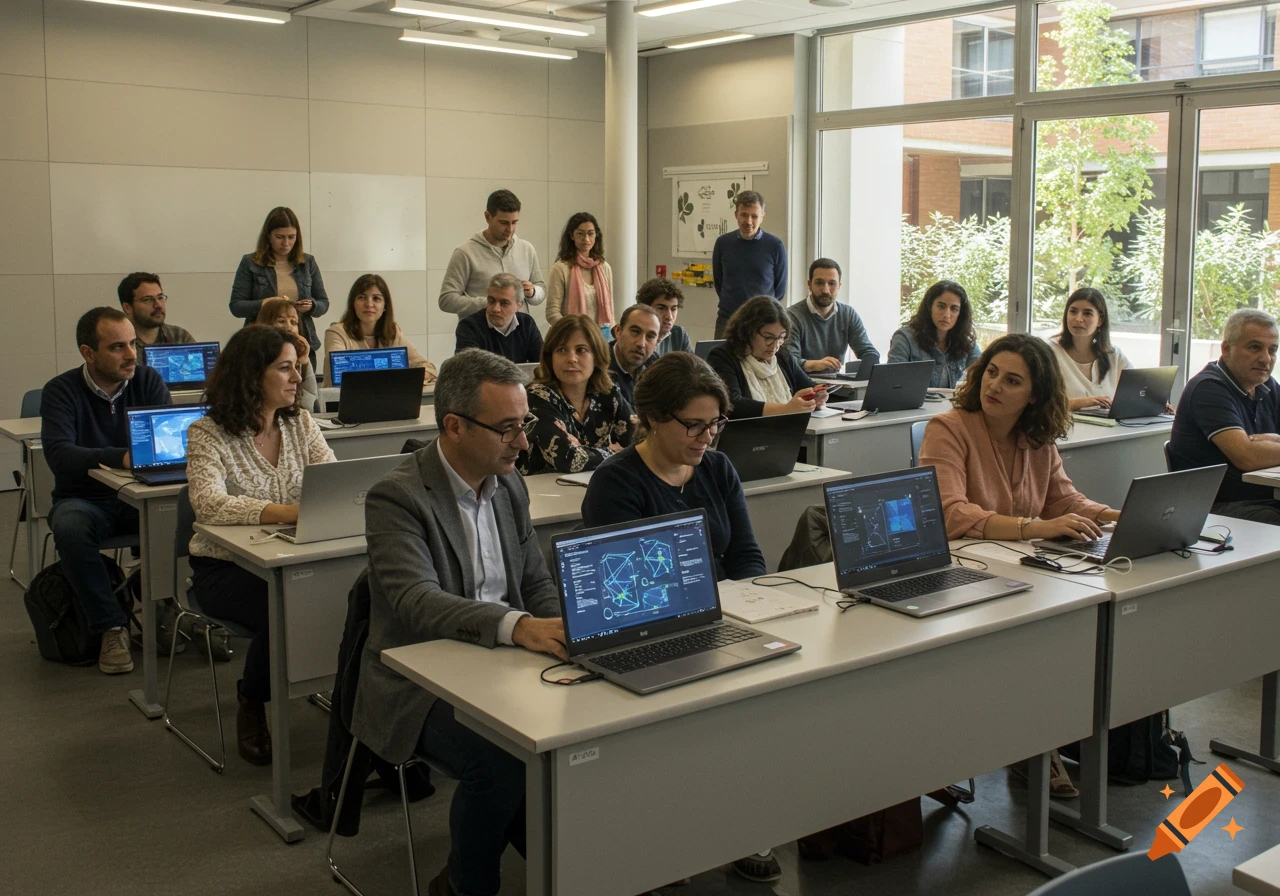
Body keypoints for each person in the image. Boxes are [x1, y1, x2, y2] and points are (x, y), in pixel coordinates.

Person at [350, 349, 565, 896]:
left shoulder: (509, 482)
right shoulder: (396, 496)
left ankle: (576, 863)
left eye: (526, 424)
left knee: (582, 734)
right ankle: (468, 886)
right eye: (509, 428)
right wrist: (518, 626)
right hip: (417, 680)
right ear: (454, 426)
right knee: (502, 758)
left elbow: (535, 579)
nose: (523, 442)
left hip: (505, 662)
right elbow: (417, 602)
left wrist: (570, 626)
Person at [581, 352, 778, 884]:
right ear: (650, 417)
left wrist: (746, 608)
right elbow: (628, 596)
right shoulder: (616, 483)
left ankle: (735, 824)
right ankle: (671, 838)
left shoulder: (716, 467)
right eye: (693, 424)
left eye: (715, 423)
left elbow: (746, 556)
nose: (706, 436)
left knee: (767, 698)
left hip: (718, 617)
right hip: (652, 627)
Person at [919, 332, 1119, 799]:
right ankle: (1033, 747)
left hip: (1019, 567)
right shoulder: (949, 427)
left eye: (1012, 381)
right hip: (959, 572)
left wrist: (1110, 515)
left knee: (1069, 626)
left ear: (1036, 395)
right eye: (991, 372)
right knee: (1033, 635)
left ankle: (1039, 740)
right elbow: (949, 513)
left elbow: (1063, 498)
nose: (995, 386)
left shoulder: (1036, 437)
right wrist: (1034, 528)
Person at [185, 325, 336, 765]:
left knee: (350, 593)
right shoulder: (207, 432)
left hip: (294, 552)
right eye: (285, 368)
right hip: (226, 567)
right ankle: (252, 700)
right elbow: (208, 504)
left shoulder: (301, 423)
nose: (297, 378)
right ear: (253, 376)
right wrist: (287, 512)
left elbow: (330, 481)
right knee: (285, 606)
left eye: (297, 367)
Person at [41, 307, 171, 674]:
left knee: (185, 511)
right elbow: (59, 455)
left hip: (142, 496)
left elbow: (165, 445)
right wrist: (122, 457)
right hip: (85, 499)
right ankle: (111, 626)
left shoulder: (148, 381)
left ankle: (166, 604)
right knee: (69, 527)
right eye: (117, 347)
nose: (131, 354)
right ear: (88, 352)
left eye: (132, 343)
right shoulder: (61, 391)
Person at [1169, 307, 1280, 524]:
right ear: (1226, 349)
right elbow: (1247, 457)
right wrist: (1256, 447)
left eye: (1273, 349)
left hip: (1265, 498)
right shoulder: (1208, 388)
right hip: (1217, 507)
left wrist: (1271, 442)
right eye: (1255, 347)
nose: (1266, 359)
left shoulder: (1267, 385)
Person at [518, 315, 634, 476]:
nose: (571, 359)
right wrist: (612, 452)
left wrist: (592, 452)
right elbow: (569, 458)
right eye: (562, 350)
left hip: (589, 487)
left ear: (597, 356)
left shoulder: (608, 393)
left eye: (581, 350)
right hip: (537, 492)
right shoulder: (537, 396)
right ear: (550, 357)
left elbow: (640, 440)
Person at [229, 206, 329, 369]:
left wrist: (311, 306)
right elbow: (236, 307)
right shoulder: (250, 263)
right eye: (280, 237)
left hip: (301, 342)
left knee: (305, 391)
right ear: (268, 236)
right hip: (261, 345)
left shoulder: (308, 262)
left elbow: (323, 303)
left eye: (291, 237)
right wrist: (265, 304)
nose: (286, 243)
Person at [707, 295, 828, 419]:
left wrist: (818, 395)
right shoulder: (723, 356)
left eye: (781, 337)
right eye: (768, 338)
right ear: (748, 331)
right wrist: (786, 409)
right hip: (743, 434)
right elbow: (733, 404)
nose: (775, 346)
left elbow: (807, 385)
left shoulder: (782, 355)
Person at [438, 189, 546, 320]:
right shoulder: (465, 253)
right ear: (488, 217)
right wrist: (491, 302)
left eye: (514, 222)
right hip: (480, 335)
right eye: (504, 223)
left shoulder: (527, 249)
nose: (510, 229)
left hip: (519, 335)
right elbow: (447, 300)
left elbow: (541, 289)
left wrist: (533, 292)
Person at [323, 273, 437, 384]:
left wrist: (417, 376)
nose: (369, 304)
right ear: (353, 303)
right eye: (362, 297)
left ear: (385, 306)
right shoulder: (336, 333)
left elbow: (425, 366)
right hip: (343, 401)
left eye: (376, 299)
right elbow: (339, 373)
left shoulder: (393, 331)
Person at [711, 190, 787, 338]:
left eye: (754, 216)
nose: (749, 222)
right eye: (744, 215)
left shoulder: (775, 246)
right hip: (728, 320)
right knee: (720, 360)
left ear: (762, 217)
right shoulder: (722, 243)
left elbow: (780, 290)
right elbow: (719, 282)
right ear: (736, 215)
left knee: (759, 361)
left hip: (763, 322)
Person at [784, 259, 879, 374]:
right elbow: (788, 362)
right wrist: (814, 365)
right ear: (809, 285)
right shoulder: (791, 316)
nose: (826, 290)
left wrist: (870, 360)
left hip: (838, 387)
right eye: (819, 283)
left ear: (839, 286)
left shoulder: (848, 314)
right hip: (801, 387)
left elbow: (868, 351)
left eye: (832, 283)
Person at [1047, 287, 1133, 411]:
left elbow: (1136, 392)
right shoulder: (1049, 352)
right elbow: (1039, 406)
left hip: (1110, 429)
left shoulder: (1113, 354)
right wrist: (1081, 402)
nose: (1078, 319)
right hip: (1065, 428)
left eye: (1087, 313)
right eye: (1073, 311)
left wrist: (1153, 404)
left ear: (1100, 320)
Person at [889, 280, 982, 388]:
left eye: (954, 309)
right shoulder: (905, 338)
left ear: (960, 314)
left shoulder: (966, 342)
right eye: (941, 306)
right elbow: (893, 383)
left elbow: (981, 373)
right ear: (930, 307)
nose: (947, 315)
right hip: (915, 405)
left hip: (952, 404)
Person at [545, 212, 614, 329]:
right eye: (580, 234)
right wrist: (576, 331)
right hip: (569, 337)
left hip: (599, 338)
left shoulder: (604, 267)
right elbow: (552, 313)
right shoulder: (560, 268)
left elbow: (610, 310)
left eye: (590, 233)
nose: (586, 239)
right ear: (572, 236)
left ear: (596, 235)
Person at [455, 273, 544, 363]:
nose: (495, 309)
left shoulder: (527, 323)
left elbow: (543, 365)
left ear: (518, 305)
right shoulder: (469, 327)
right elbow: (468, 371)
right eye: (491, 301)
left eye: (504, 303)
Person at [117, 272, 195, 366]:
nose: (158, 305)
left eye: (160, 297)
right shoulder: (118, 343)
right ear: (127, 308)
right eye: (148, 299)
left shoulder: (179, 337)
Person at [256, 297, 319, 412]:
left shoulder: (301, 354)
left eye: (293, 322)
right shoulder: (255, 356)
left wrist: (302, 362)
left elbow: (311, 399)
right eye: (281, 321)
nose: (288, 327)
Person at [607, 303, 661, 409]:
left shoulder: (656, 367)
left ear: (657, 343)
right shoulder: (597, 366)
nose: (641, 344)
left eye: (650, 337)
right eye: (635, 332)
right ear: (618, 331)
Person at [637, 277, 692, 357]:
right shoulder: (636, 336)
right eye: (661, 309)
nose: (669, 317)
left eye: (673, 309)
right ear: (645, 308)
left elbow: (691, 367)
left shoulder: (679, 334)